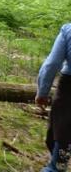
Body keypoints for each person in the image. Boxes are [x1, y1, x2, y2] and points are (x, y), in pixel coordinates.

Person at [36, 23, 71, 172]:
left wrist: (42, 92)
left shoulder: (68, 31)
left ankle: (57, 165)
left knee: (63, 130)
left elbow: (51, 65)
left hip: (69, 89)